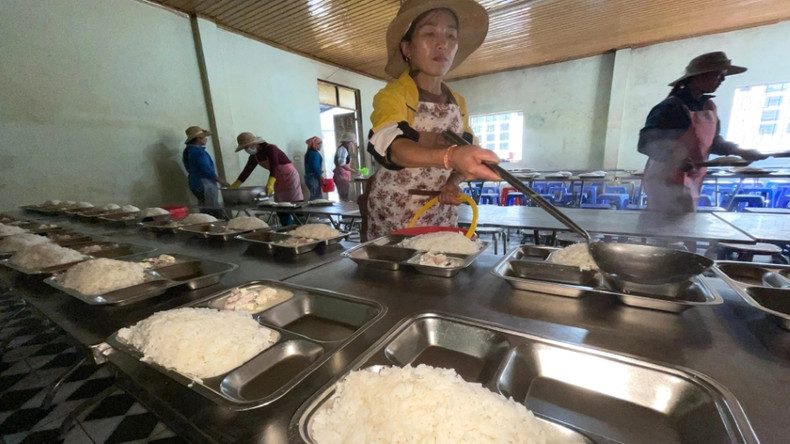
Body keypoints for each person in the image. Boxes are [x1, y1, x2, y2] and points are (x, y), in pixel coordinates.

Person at [362, 0, 500, 240]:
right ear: (407, 48)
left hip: (442, 208)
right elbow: (394, 147)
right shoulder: (393, 95)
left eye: (451, 36)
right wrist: (449, 157)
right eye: (429, 33)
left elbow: (463, 153)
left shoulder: (458, 101)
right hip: (396, 209)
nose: (442, 44)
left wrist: (453, 182)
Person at [638, 51, 766, 213]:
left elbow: (713, 141)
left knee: (683, 223)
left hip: (693, 176)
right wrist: (675, 159)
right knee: (665, 226)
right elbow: (646, 143)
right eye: (718, 75)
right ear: (699, 76)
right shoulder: (672, 107)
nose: (722, 79)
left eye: (723, 75)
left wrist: (738, 151)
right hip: (666, 178)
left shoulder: (709, 106)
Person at [231, 132, 304, 203]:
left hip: (289, 176)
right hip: (277, 178)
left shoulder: (271, 148)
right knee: (280, 205)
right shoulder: (254, 156)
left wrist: (270, 183)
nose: (247, 149)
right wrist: (236, 184)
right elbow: (246, 171)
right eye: (245, 148)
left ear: (256, 143)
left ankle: (298, 215)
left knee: (295, 202)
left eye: (247, 146)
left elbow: (274, 165)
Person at [182, 125, 227, 217]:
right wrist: (220, 180)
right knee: (212, 211)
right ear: (198, 138)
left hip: (195, 183)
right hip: (204, 184)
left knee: (205, 208)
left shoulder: (188, 150)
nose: (206, 139)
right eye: (204, 137)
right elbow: (205, 169)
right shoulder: (198, 152)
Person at [333, 132, 356, 201]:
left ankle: (345, 207)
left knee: (345, 192)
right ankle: (345, 208)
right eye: (352, 142)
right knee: (343, 194)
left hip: (343, 174)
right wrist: (354, 171)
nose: (352, 144)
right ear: (348, 142)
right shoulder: (342, 150)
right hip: (341, 174)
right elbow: (342, 163)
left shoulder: (345, 149)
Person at [304, 136, 325, 201]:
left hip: (309, 177)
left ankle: (314, 210)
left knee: (314, 196)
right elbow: (315, 167)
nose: (321, 146)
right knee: (316, 198)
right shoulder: (314, 154)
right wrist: (321, 177)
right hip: (314, 178)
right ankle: (314, 211)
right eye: (320, 144)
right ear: (315, 144)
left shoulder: (309, 153)